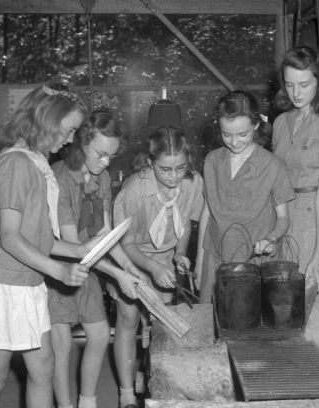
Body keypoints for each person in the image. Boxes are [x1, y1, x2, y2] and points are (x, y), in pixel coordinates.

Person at [0, 83, 96, 408]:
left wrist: (77, 250)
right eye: (69, 129)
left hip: (27, 284)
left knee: (43, 367)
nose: (72, 139)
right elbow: (9, 237)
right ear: (48, 120)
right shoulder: (15, 164)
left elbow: (38, 237)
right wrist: (58, 269)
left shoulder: (36, 162)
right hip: (1, 286)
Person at [49, 110, 142, 408]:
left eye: (111, 157)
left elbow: (103, 234)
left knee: (100, 335)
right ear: (80, 142)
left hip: (87, 268)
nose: (105, 162)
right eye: (101, 154)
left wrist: (127, 265)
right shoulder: (61, 178)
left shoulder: (101, 177)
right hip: (58, 269)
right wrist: (117, 275)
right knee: (60, 347)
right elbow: (76, 247)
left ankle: (86, 402)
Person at [112, 124, 204, 408]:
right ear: (151, 163)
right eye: (166, 169)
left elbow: (186, 220)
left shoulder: (192, 182)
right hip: (132, 256)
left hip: (164, 257)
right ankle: (126, 394)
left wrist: (178, 253)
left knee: (158, 321)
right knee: (128, 319)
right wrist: (150, 266)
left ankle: (155, 383)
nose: (175, 176)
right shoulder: (133, 191)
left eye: (181, 167)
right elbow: (123, 244)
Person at [195, 90, 295, 304]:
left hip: (254, 260)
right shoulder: (212, 161)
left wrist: (271, 239)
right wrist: (199, 260)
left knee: (248, 320)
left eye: (242, 134)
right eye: (226, 134)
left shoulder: (272, 165)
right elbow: (207, 212)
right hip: (216, 256)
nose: (234, 142)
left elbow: (284, 218)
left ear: (256, 125)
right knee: (212, 320)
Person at [272, 46, 319, 298]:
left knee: (305, 306)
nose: (296, 93)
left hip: (313, 220)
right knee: (277, 303)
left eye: (304, 84)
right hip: (282, 217)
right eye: (289, 84)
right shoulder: (281, 123)